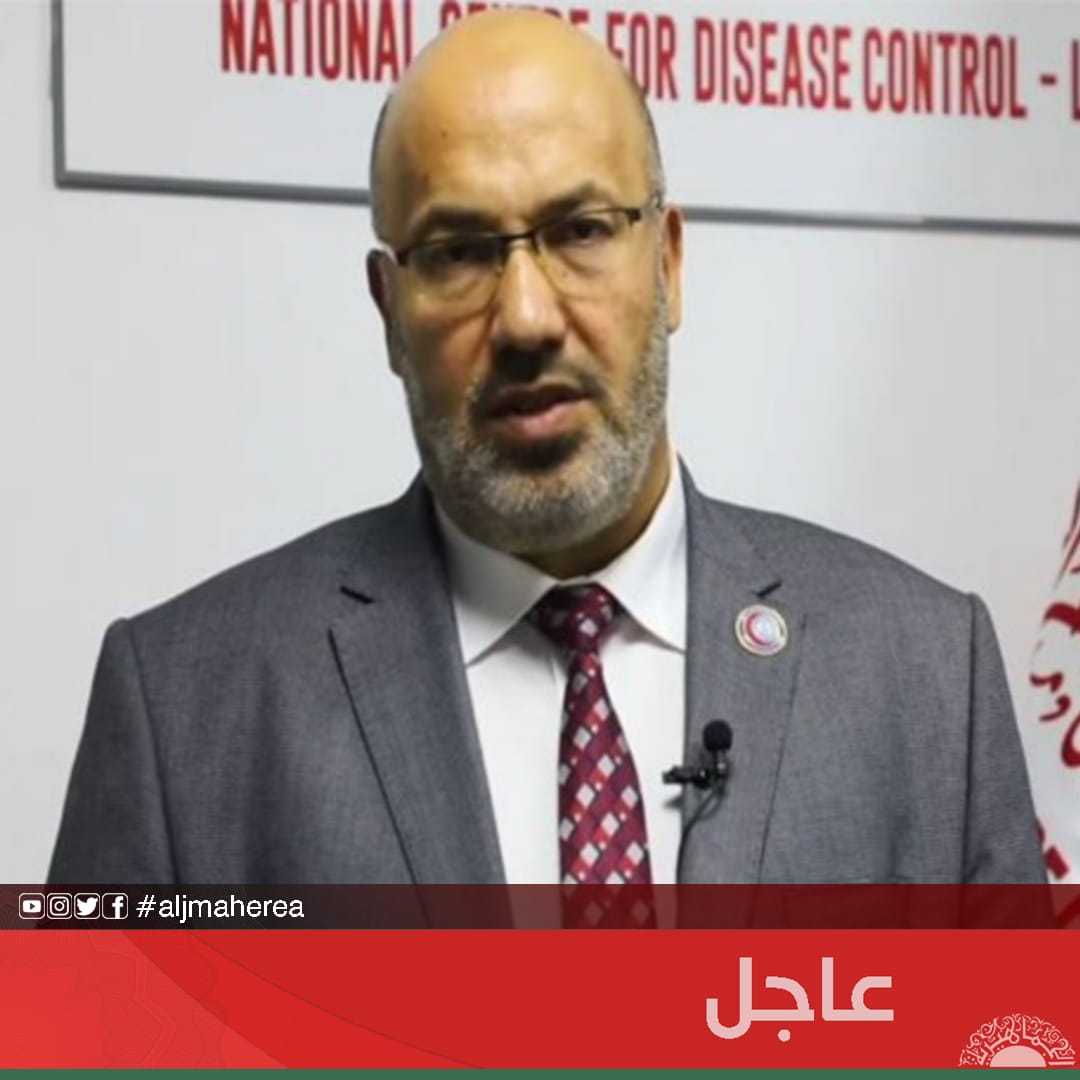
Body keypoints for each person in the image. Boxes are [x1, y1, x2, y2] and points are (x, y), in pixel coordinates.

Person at [49, 10, 1044, 887]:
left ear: (670, 264)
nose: (526, 318)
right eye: (457, 252)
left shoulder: (927, 676)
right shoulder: (182, 713)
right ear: (390, 311)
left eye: (580, 230)